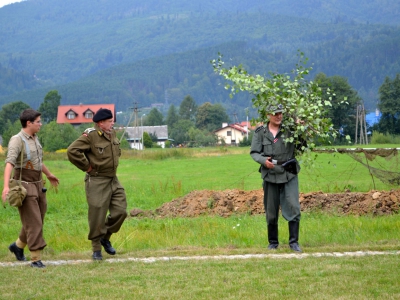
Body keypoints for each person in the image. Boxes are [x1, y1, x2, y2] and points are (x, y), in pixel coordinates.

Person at [67, 108, 127, 260]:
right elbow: (72, 151)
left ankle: (105, 237)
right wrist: (87, 167)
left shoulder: (111, 133)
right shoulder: (90, 136)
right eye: (110, 121)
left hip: (113, 179)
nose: (112, 123)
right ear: (101, 123)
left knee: (120, 211)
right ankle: (96, 250)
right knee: (97, 215)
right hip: (97, 180)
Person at [2, 109, 59, 268]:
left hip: (38, 183)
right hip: (24, 185)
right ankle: (35, 258)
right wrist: (6, 186)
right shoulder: (17, 140)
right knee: (34, 222)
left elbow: (38, 161)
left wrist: (49, 175)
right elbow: (9, 163)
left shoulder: (35, 138)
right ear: (29, 123)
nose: (41, 124)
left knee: (37, 219)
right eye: (38, 121)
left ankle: (18, 246)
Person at [250, 104, 304, 252]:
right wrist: (263, 161)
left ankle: (294, 242)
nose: (278, 116)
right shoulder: (261, 132)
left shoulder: (291, 130)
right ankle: (273, 242)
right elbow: (254, 152)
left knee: (293, 206)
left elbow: (303, 146)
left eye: (280, 113)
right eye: (275, 113)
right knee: (271, 209)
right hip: (270, 173)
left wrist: (302, 129)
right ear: (268, 114)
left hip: (289, 172)